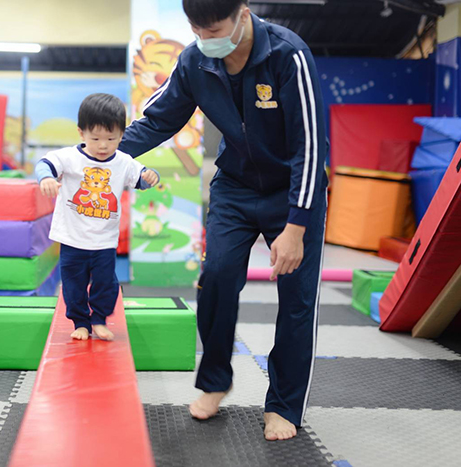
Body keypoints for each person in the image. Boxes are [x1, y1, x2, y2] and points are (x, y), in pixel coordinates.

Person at [119, 0, 328, 441]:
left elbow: (311, 146)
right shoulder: (194, 61)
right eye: (197, 29)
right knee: (216, 276)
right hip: (235, 187)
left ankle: (284, 405)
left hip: (293, 192)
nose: (205, 39)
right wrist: (98, 160)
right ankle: (215, 379)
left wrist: (296, 227)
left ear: (243, 14)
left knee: (297, 298)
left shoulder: (287, 55)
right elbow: (156, 120)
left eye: (214, 30)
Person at [36, 93, 160, 341]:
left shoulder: (123, 161)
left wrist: (150, 177)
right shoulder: (70, 157)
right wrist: (46, 178)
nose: (103, 146)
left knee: (106, 283)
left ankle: (99, 319)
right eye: (95, 139)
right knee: (73, 285)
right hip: (72, 238)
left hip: (104, 240)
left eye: (111, 139)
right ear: (81, 133)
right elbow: (44, 164)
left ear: (122, 135)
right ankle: (81, 322)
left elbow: (141, 177)